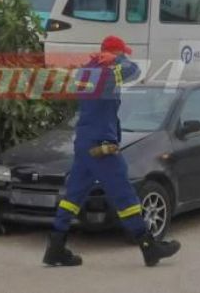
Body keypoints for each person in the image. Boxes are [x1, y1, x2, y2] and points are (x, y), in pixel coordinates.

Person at [43, 35, 181, 268]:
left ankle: (55, 247)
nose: (126, 57)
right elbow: (134, 70)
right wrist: (115, 61)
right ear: (115, 53)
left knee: (73, 197)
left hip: (85, 142)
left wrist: (107, 59)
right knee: (125, 195)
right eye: (122, 53)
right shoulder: (107, 74)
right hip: (101, 145)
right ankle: (149, 247)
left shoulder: (87, 71)